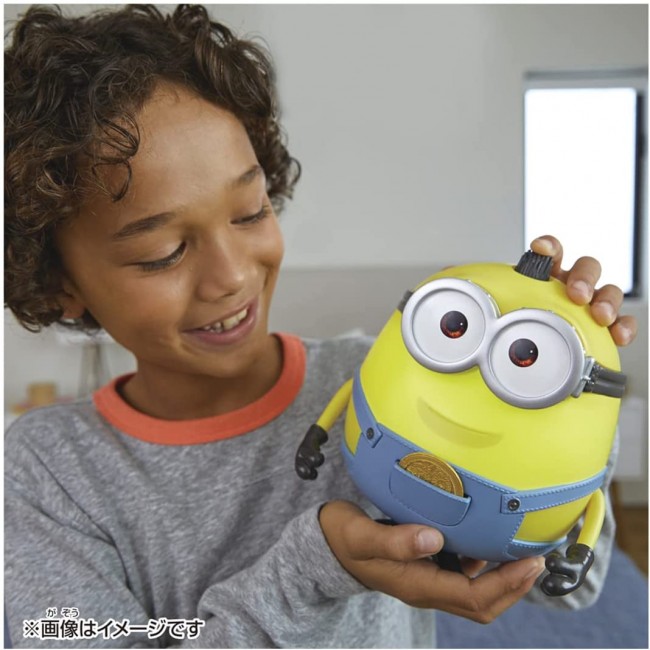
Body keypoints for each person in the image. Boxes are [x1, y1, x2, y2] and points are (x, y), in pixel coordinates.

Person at [4, 5, 637, 648]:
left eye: (250, 212)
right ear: (59, 283)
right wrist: (314, 572)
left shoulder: (374, 383)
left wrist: (573, 384)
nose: (231, 276)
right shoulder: (48, 473)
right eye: (163, 252)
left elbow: (572, 584)